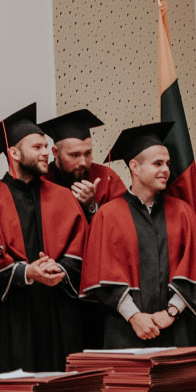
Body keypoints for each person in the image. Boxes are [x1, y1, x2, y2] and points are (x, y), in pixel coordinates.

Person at [0, 104, 87, 372]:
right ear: (14, 153)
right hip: (13, 317)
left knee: (64, 384)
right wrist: (27, 272)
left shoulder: (63, 197)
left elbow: (82, 245)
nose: (46, 152)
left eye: (45, 146)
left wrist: (59, 270)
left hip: (59, 311)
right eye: (37, 147)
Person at [80, 122, 196, 349]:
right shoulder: (108, 215)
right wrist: (134, 316)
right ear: (135, 167)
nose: (166, 170)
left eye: (167, 163)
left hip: (176, 329)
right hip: (125, 330)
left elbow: (195, 269)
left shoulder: (183, 213)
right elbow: (101, 276)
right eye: (157, 163)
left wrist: (171, 312)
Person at [41, 107, 124, 348]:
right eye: (74, 155)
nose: (83, 162)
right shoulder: (42, 181)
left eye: (88, 153)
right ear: (55, 152)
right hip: (55, 292)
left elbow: (121, 233)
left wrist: (91, 207)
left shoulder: (106, 178)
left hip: (99, 293)